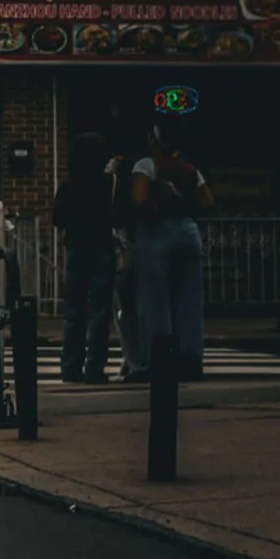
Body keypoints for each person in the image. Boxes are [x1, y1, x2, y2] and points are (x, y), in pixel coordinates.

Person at [127, 126, 211, 379]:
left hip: (156, 232)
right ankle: (191, 359)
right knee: (190, 301)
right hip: (188, 231)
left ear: (154, 141)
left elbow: (138, 199)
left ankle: (156, 361)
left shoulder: (146, 165)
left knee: (154, 301)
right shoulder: (188, 168)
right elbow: (207, 201)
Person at [50, 150, 116, 383]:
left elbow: (57, 217)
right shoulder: (107, 183)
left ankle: (70, 366)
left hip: (76, 246)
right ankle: (95, 367)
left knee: (74, 310)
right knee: (100, 311)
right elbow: (115, 213)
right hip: (101, 245)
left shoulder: (69, 183)